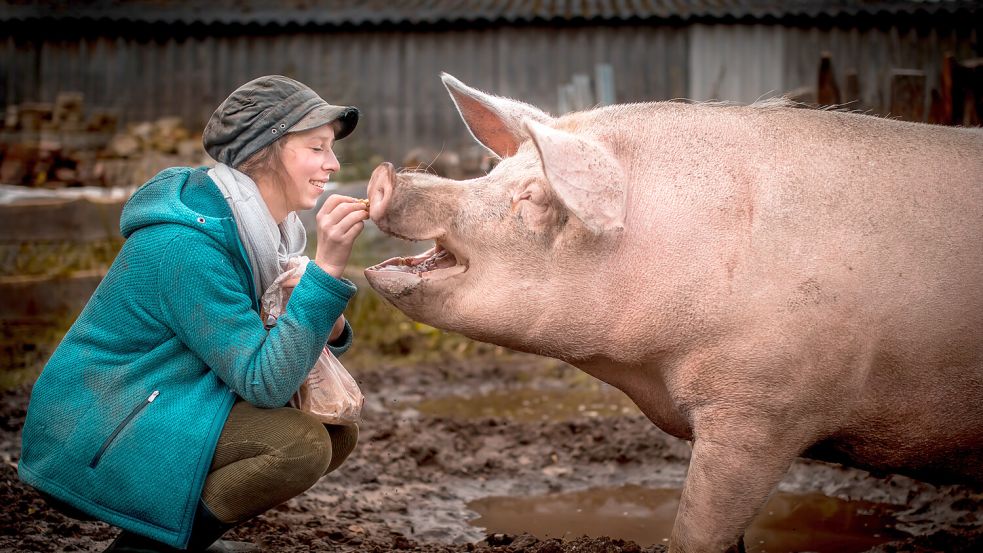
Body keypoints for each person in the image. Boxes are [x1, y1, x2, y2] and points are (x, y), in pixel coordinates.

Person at [18, 75, 369, 552]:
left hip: (172, 398)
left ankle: (181, 536)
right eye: (317, 147)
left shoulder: (267, 233)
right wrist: (326, 272)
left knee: (335, 432)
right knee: (298, 444)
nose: (333, 163)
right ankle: (150, 549)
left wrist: (326, 311)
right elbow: (264, 382)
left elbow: (277, 352)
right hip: (96, 427)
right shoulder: (187, 247)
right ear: (266, 150)